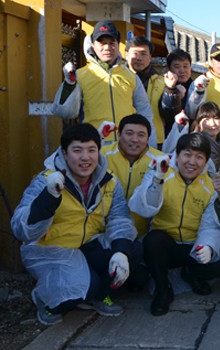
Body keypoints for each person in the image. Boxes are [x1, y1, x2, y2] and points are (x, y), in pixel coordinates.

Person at [12, 124, 137, 325]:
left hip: (87, 243)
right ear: (64, 153)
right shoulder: (46, 180)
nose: (85, 158)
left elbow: (120, 219)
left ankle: (99, 296)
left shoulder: (109, 181)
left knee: (132, 250)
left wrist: (121, 252)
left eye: (91, 150)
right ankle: (45, 299)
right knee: (82, 290)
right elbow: (21, 229)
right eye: (77, 150)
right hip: (51, 250)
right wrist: (48, 197)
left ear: (99, 151)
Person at [129, 133, 220, 315]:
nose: (192, 162)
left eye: (199, 157)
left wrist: (207, 246)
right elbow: (144, 208)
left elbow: (210, 225)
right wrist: (157, 180)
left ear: (206, 161)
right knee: (153, 241)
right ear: (177, 155)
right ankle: (163, 289)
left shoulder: (210, 184)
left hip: (192, 245)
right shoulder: (161, 172)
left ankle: (191, 274)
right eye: (187, 155)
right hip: (167, 245)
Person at [51, 20, 156, 146]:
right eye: (102, 43)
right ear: (93, 45)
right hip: (93, 146)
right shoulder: (80, 75)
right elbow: (65, 112)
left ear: (118, 45)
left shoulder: (131, 76)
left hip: (126, 147)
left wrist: (150, 146)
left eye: (112, 43)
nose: (107, 47)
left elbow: (145, 114)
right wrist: (69, 83)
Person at [101, 114, 163, 238]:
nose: (135, 139)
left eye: (141, 135)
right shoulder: (102, 155)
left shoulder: (160, 161)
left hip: (143, 234)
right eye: (129, 133)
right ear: (119, 135)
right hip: (102, 231)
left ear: (148, 138)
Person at [125, 35, 168, 148]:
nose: (139, 58)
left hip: (155, 140)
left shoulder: (162, 82)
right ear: (126, 55)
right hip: (124, 138)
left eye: (143, 54)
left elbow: (168, 113)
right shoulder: (117, 79)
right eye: (135, 53)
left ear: (150, 57)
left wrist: (173, 92)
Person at [162, 101, 220, 173]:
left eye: (216, 118)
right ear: (198, 123)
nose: (213, 123)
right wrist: (179, 126)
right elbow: (167, 151)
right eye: (206, 120)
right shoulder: (191, 143)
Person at [162, 49, 194, 137]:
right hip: (170, 136)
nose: (182, 70)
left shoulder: (198, 87)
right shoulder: (161, 87)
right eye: (177, 67)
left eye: (185, 66)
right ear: (169, 69)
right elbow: (167, 114)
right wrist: (174, 93)